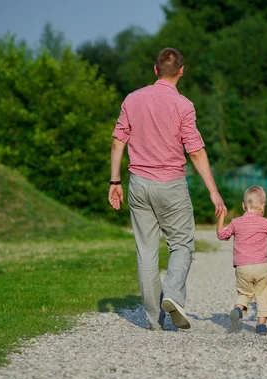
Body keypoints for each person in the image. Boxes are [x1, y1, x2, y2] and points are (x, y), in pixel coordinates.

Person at [108, 48, 227, 331]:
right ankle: (172, 295)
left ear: (155, 70)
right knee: (182, 244)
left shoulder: (132, 99)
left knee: (146, 252)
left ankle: (153, 320)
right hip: (171, 185)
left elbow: (117, 142)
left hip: (138, 183)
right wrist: (213, 190)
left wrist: (114, 182)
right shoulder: (184, 105)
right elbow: (195, 151)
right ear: (182, 71)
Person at [217, 186, 267, 335]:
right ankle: (260, 326)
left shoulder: (236, 222)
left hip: (242, 268)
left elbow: (222, 235)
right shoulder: (265, 222)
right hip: (261, 267)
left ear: (243, 205)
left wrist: (221, 216)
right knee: (263, 295)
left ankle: (238, 311)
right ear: (263, 206)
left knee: (244, 294)